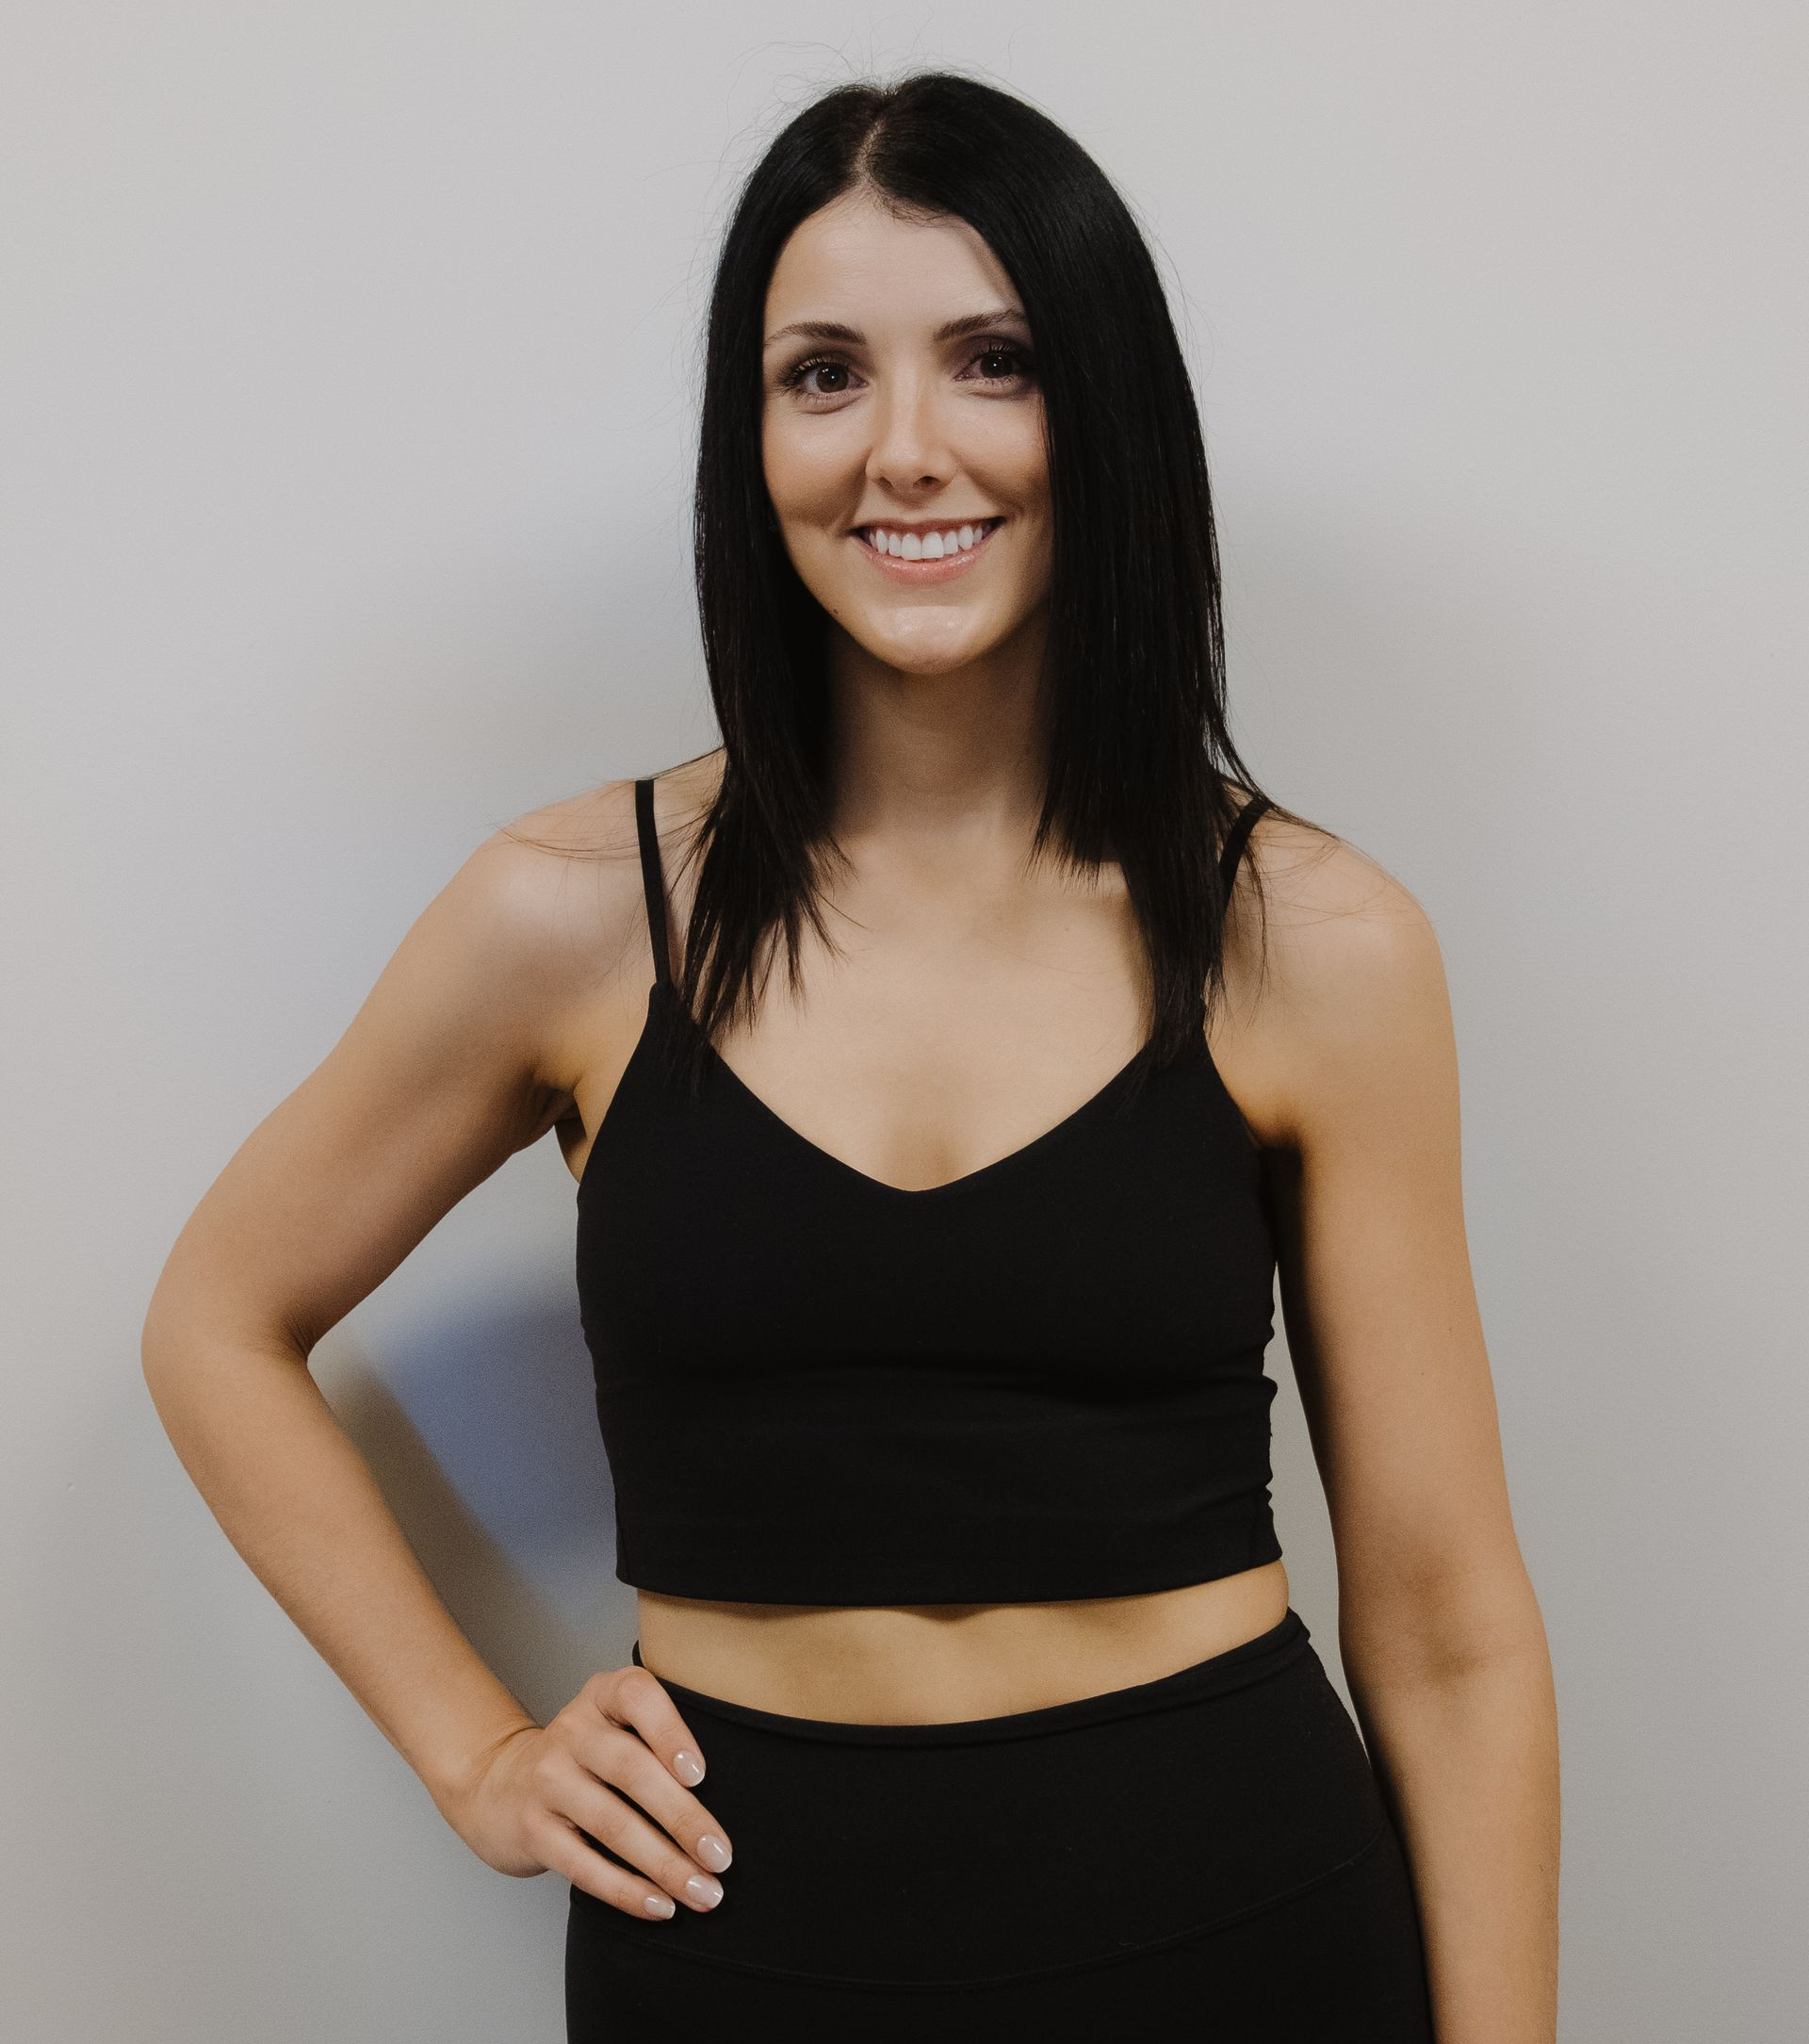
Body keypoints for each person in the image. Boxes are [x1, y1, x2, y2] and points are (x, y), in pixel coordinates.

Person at [142, 70, 1559, 2043]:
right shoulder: (572, 912)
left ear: (1107, 408)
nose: (906, 450)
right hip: (735, 1955)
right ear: (751, 441)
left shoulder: (1309, 939)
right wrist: (477, 1752)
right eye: (823, 376)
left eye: (995, 362)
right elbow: (216, 1320)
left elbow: (1451, 1629)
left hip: (1239, 1932)